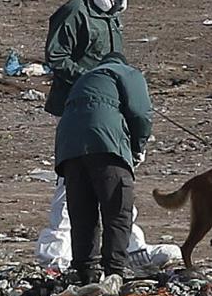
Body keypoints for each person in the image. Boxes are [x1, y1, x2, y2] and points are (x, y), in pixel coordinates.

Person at [34, 0, 180, 271]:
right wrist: (93, 79)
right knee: (75, 181)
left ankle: (131, 245)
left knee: (115, 179)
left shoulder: (111, 15)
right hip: (77, 106)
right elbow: (55, 57)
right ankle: (54, 251)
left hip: (109, 106)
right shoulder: (75, 11)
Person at [54, 53, 153, 282]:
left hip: (69, 149)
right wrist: (138, 147)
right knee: (117, 210)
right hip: (106, 146)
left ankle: (85, 273)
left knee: (82, 214)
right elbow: (141, 112)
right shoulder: (126, 73)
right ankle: (114, 273)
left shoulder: (85, 78)